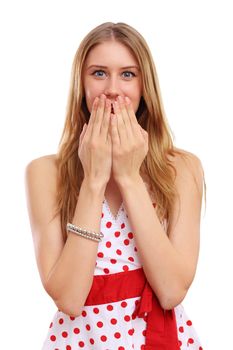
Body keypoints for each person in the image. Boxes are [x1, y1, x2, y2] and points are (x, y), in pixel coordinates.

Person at [25, 22, 206, 350]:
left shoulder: (181, 167)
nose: (112, 88)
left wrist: (128, 176)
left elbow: (171, 290)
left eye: (127, 74)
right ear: (81, 84)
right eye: (98, 73)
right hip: (80, 341)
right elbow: (68, 298)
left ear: (144, 86)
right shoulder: (45, 173)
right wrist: (93, 181)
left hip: (159, 339)